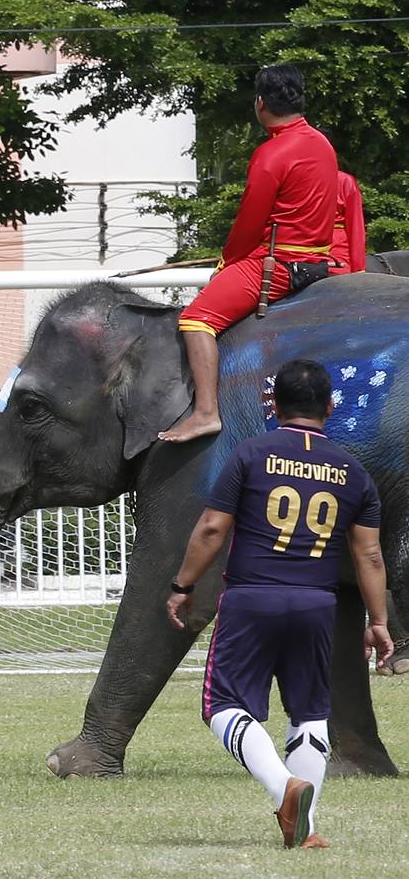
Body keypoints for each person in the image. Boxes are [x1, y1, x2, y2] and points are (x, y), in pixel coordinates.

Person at [165, 359, 393, 850]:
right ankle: (306, 831)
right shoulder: (352, 471)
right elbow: (369, 553)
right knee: (309, 712)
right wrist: (378, 620)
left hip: (252, 598)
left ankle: (284, 787)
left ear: (273, 404)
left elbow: (210, 528)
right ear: (331, 407)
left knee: (223, 705)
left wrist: (182, 584)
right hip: (317, 605)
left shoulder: (251, 454)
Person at [162, 66, 337, 443]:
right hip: (318, 263)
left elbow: (248, 223)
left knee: (196, 320)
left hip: (278, 265)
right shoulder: (322, 143)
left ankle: (206, 413)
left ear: (260, 103)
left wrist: (227, 263)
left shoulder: (271, 153)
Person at [318, 129, 366, 275]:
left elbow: (355, 228)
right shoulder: (295, 180)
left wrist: (358, 268)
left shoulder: (345, 182)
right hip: (303, 256)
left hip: (335, 257)